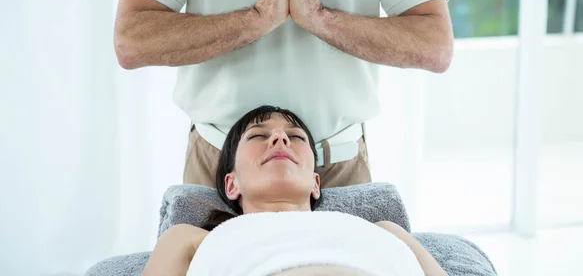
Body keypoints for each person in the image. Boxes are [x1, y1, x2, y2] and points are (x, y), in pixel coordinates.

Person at [114, 0, 454, 189]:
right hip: (221, 168)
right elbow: (132, 40)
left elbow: (434, 45)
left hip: (337, 168)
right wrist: (256, 19)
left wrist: (321, 19)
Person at [142, 106, 448, 276]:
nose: (279, 139)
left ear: (316, 183)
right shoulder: (190, 238)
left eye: (296, 137)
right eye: (258, 135)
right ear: (231, 183)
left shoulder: (387, 231)